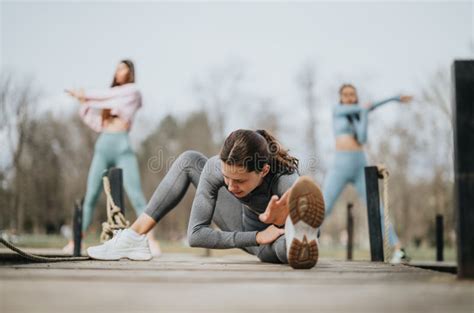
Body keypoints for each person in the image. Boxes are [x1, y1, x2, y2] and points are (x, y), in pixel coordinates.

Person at [87, 129, 325, 269]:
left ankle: (293, 235)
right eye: (226, 177)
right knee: (190, 159)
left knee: (291, 245)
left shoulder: (285, 181)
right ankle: (133, 237)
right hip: (249, 232)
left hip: (274, 241)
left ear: (262, 170)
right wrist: (257, 235)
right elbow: (196, 234)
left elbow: (314, 227)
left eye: (240, 181)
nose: (231, 187)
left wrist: (283, 221)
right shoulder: (215, 169)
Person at [64, 59, 161, 256]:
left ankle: (150, 239)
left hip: (122, 146)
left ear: (130, 71)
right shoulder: (107, 101)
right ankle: (76, 240)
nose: (119, 72)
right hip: (103, 145)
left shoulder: (132, 92)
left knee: (135, 194)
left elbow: (108, 97)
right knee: (90, 195)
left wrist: (86, 95)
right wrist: (84, 102)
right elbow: (96, 120)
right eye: (116, 68)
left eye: (123, 68)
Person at [322, 83, 413, 263]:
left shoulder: (359, 115)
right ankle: (301, 240)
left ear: (356, 97)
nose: (349, 97)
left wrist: (395, 98)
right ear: (340, 98)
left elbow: (365, 131)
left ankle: (398, 249)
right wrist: (369, 107)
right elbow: (370, 105)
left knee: (376, 208)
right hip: (340, 165)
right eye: (345, 95)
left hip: (359, 164)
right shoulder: (337, 110)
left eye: (352, 94)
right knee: (325, 206)